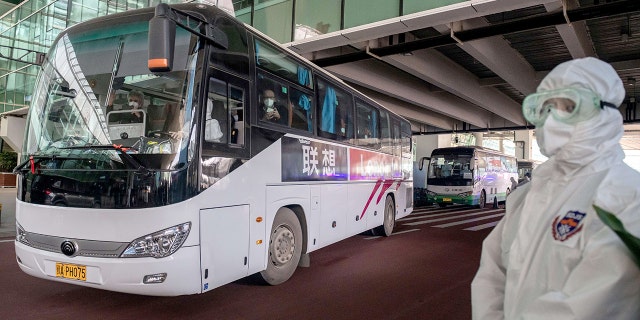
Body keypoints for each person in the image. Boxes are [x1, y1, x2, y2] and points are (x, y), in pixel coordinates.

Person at [471, 57, 640, 319]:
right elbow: (491, 275)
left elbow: (591, 305)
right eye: (546, 108)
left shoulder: (628, 197)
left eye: (569, 106)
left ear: (604, 112)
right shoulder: (525, 197)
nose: (551, 121)